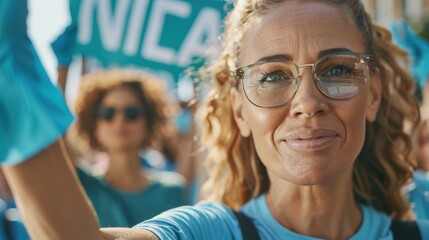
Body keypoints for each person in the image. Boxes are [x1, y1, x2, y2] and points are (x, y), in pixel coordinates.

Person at [1, 0, 429, 240]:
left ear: (372, 95)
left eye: (337, 70)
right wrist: (11, 75)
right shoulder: (209, 232)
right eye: (273, 76)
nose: (307, 102)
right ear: (240, 111)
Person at [67, 69, 186, 227]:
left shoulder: (172, 190)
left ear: (149, 121)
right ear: (94, 124)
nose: (120, 120)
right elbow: (51, 137)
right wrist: (64, 71)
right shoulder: (81, 184)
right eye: (108, 113)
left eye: (131, 113)